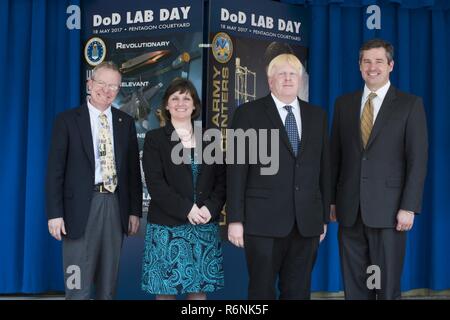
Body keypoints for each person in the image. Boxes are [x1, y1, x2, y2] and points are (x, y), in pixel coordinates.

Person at [330, 38, 428, 299]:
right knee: (355, 287)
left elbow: (417, 160)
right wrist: (331, 200)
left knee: (385, 287)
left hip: (390, 212)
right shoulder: (344, 104)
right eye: (366, 61)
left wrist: (409, 206)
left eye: (379, 61)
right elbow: (335, 156)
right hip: (350, 211)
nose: (372, 67)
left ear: (390, 65)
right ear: (359, 66)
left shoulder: (410, 105)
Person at [227, 54, 330, 299]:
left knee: (298, 292)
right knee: (261, 291)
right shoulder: (248, 114)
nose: (287, 78)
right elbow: (236, 168)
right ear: (270, 80)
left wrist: (323, 217)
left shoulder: (317, 116)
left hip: (306, 223)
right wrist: (235, 219)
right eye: (281, 74)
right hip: (262, 222)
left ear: (301, 80)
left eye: (292, 74)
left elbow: (324, 169)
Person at [46, 61, 142, 299]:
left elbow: (131, 171)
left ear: (118, 90)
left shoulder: (125, 122)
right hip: (77, 209)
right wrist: (54, 214)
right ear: (90, 84)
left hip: (114, 205)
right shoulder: (67, 120)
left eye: (113, 86)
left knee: (108, 285)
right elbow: (54, 171)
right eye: (101, 83)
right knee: (76, 280)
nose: (106, 90)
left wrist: (134, 211)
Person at [141, 78, 226, 300]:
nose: (181, 103)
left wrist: (210, 208)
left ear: (195, 105)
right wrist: (188, 209)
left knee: (198, 293)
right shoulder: (155, 139)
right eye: (175, 98)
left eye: (186, 98)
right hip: (167, 227)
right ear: (166, 106)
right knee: (165, 293)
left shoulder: (209, 138)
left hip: (203, 225)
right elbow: (156, 184)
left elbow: (222, 180)